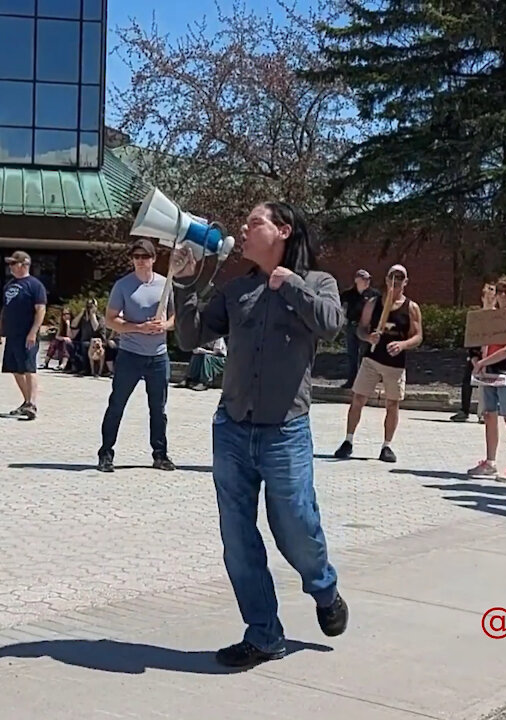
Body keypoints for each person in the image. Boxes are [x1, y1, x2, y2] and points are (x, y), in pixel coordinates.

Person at [172, 200, 348, 669]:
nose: (244, 231)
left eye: (254, 223)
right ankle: (264, 634)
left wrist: (289, 285)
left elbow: (332, 325)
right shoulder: (236, 290)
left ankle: (324, 587)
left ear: (283, 231)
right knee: (237, 536)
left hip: (285, 432)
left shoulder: (317, 283)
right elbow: (189, 338)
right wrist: (185, 282)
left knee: (295, 526)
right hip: (231, 429)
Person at [96, 239, 177, 472]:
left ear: (153, 259)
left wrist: (164, 325)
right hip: (130, 354)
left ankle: (160, 454)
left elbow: (175, 318)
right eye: (136, 256)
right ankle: (106, 453)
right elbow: (111, 320)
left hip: (159, 357)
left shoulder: (165, 284)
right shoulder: (123, 285)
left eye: (145, 256)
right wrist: (138, 327)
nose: (141, 261)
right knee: (117, 404)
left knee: (158, 408)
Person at [333, 264, 422, 463]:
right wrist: (368, 337)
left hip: (395, 364)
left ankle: (387, 446)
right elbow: (361, 329)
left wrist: (402, 344)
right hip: (372, 359)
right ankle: (348, 441)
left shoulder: (411, 307)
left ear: (406, 282)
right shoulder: (373, 303)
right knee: (358, 399)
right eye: (392, 276)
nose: (396, 280)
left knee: (392, 404)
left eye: (400, 277)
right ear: (387, 278)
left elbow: (418, 336)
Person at [467, 277, 506, 481]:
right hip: (489, 368)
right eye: (500, 291)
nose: (503, 295)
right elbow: (480, 341)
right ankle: (490, 461)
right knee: (489, 414)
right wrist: (479, 361)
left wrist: (483, 362)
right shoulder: (490, 317)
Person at [0, 250, 47, 419]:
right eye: (9, 264)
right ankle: (26, 402)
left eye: (13, 263)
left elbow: (41, 310)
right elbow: (5, 309)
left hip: (27, 334)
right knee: (15, 369)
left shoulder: (35, 285)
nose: (11, 267)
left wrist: (33, 332)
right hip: (12, 334)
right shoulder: (9, 285)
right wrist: (0, 329)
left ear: (24, 264)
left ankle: (32, 403)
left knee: (29, 368)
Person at [451, 282, 497, 422]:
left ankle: (484, 412)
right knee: (467, 380)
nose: (489, 300)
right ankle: (464, 410)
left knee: (487, 383)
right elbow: (471, 338)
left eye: (492, 297)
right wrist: (474, 357)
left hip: (492, 354)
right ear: (482, 298)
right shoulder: (476, 317)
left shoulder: (499, 317)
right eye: (486, 297)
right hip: (476, 353)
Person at [338, 269, 379, 388]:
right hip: (352, 326)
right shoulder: (348, 294)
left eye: (368, 279)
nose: (367, 281)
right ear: (356, 280)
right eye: (364, 279)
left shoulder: (374, 294)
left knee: (365, 355)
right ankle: (351, 381)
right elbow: (339, 306)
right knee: (352, 354)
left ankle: (365, 382)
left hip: (366, 328)